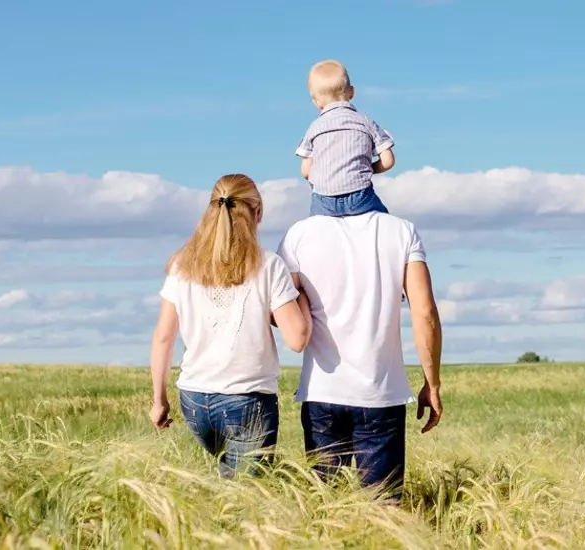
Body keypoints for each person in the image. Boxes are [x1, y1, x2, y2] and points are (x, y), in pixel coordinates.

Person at [148, 174, 312, 478]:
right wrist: (299, 290)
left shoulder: (182, 265)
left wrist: (159, 401)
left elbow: (163, 337)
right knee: (247, 501)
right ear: (258, 213)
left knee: (228, 484)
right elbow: (298, 338)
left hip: (193, 401)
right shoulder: (270, 266)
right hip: (247, 401)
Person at [276, 208, 443, 500]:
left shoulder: (299, 234)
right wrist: (432, 383)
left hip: (321, 393)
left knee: (324, 510)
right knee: (384, 511)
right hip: (381, 394)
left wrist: (305, 301)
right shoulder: (401, 230)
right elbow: (424, 312)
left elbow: (280, 310)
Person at [296, 59, 396, 217]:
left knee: (317, 226)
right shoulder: (365, 121)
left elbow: (306, 171)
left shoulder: (315, 127)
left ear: (316, 102)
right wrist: (367, 168)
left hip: (324, 199)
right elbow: (388, 160)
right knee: (384, 221)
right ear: (351, 92)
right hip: (360, 195)